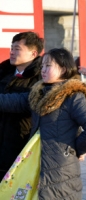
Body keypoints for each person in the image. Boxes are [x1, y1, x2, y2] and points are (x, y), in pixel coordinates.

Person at [0, 48, 86, 199]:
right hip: (37, 162)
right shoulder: (38, 93)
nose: (43, 70)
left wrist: (75, 149)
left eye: (48, 66)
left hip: (61, 169)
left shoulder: (72, 96)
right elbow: (12, 101)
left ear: (63, 69)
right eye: (42, 66)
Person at [0, 31, 44, 180]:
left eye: (17, 49)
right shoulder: (3, 72)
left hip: (22, 147)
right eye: (11, 48)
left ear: (33, 53)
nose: (12, 52)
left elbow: (27, 103)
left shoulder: (41, 77)